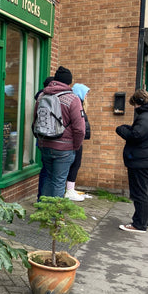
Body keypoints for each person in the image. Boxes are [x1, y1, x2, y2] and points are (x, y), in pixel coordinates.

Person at [116, 89, 148, 233]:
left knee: (140, 192)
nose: (135, 108)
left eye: (135, 105)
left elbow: (136, 135)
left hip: (141, 160)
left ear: (139, 102)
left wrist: (122, 130)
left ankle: (139, 224)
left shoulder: (146, 116)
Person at [34, 66, 86, 198]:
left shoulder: (41, 96)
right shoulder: (72, 99)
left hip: (45, 144)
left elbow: (35, 120)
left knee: (49, 179)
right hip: (64, 148)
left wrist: (40, 140)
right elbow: (80, 128)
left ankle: (44, 213)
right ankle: (55, 217)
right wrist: (76, 146)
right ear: (69, 82)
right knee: (58, 182)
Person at [64, 83, 92, 201]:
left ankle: (70, 189)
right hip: (74, 142)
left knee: (74, 165)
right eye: (86, 94)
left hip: (74, 141)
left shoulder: (75, 104)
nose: (87, 97)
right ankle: (69, 190)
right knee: (73, 165)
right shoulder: (77, 105)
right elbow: (81, 128)